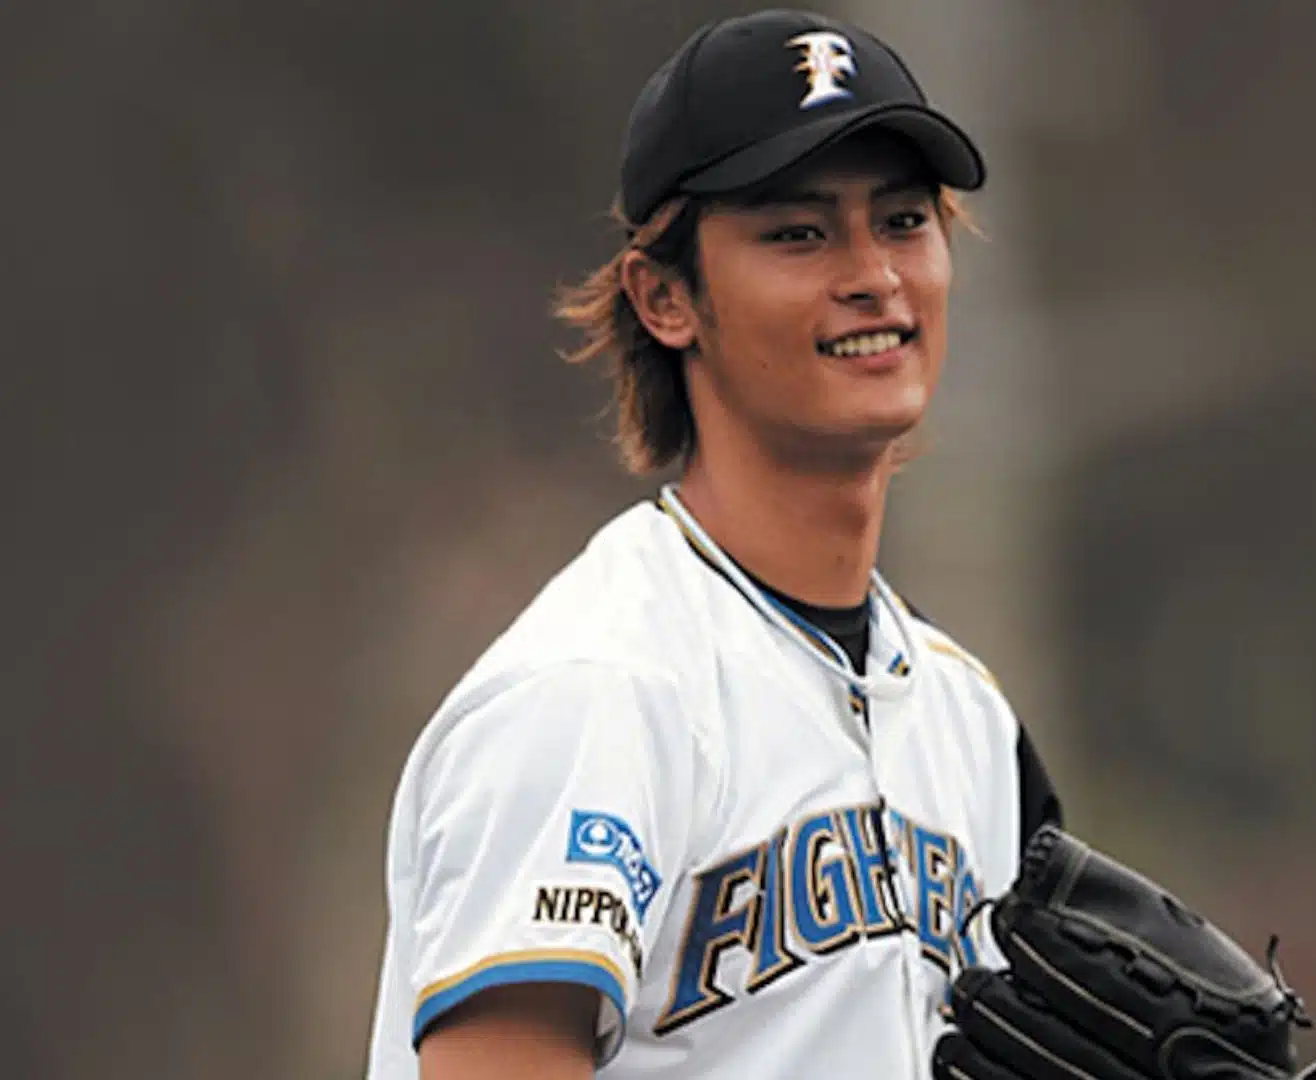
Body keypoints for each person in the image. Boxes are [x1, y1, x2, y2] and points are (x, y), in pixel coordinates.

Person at [364, 10, 1061, 1079]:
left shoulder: (968, 723)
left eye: (905, 221)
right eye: (799, 232)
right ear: (666, 297)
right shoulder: (598, 688)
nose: (873, 273)